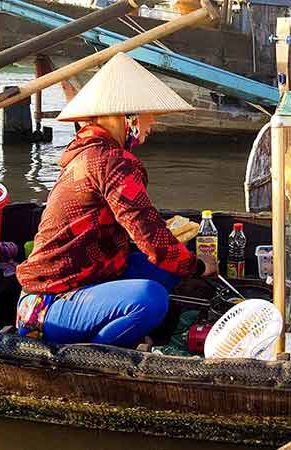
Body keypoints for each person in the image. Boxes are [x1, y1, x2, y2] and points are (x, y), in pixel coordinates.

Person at [15, 53, 217, 348]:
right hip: (47, 306)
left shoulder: (88, 151)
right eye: (149, 115)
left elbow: (148, 235)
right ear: (127, 116)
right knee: (152, 298)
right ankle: (99, 354)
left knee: (167, 268)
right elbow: (152, 239)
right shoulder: (113, 162)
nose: (151, 125)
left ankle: (119, 330)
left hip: (81, 283)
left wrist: (185, 262)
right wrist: (199, 266)